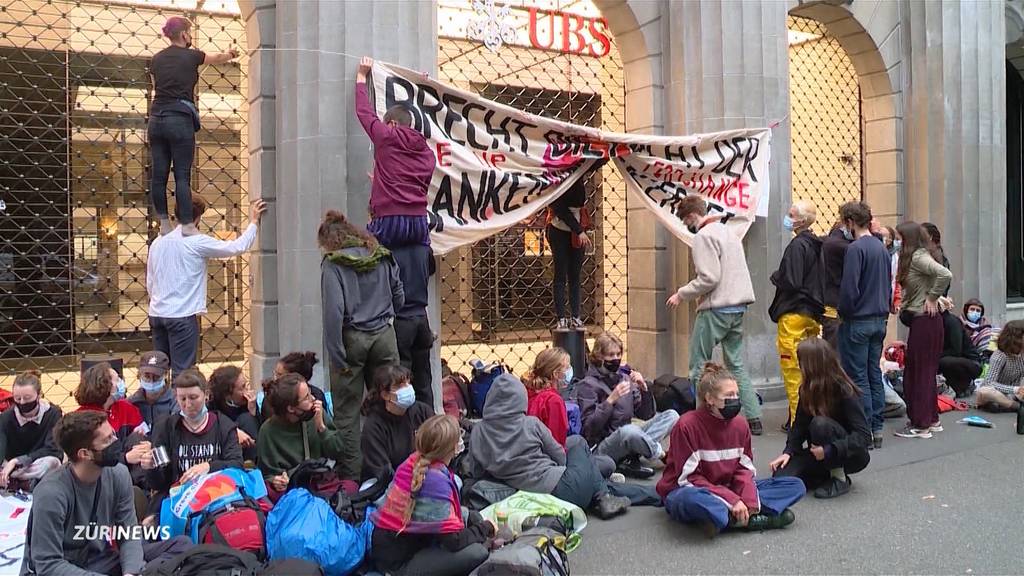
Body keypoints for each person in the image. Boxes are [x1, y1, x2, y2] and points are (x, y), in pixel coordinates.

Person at [21, 411, 192, 576]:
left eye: (113, 435)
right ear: (85, 454)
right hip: (64, 568)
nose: (116, 441)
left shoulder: (118, 473)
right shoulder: (51, 493)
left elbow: (129, 534)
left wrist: (131, 571)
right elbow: (47, 564)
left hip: (101, 559)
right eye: (108, 440)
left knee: (182, 546)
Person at [657, 363, 804, 538]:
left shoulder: (740, 425)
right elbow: (689, 478)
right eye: (729, 395)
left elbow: (744, 469)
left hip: (727, 487)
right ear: (709, 399)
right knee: (690, 500)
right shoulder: (686, 426)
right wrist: (733, 500)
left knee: (796, 485)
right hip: (690, 489)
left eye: (736, 394)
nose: (735, 399)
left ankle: (728, 519)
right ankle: (751, 519)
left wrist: (748, 500)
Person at [469, 373, 631, 519]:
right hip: (562, 487)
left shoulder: (478, 431)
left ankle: (601, 493)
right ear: (520, 398)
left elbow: (476, 471)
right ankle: (603, 496)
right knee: (578, 442)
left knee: (597, 460)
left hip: (529, 494)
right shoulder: (531, 424)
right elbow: (560, 456)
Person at [666, 195, 762, 434]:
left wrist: (682, 294)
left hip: (716, 308)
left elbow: (709, 277)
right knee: (736, 364)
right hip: (738, 307)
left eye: (686, 221)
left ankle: (702, 418)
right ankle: (753, 417)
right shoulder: (729, 232)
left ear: (691, 217)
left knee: (698, 365)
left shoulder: (703, 236)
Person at [319, 209, 404, 481]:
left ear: (330, 241)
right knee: (391, 402)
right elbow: (399, 294)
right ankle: (394, 469)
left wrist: (337, 353)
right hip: (384, 334)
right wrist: (387, 316)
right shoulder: (381, 254)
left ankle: (352, 478)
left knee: (347, 413)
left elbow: (333, 311)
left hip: (352, 337)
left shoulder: (333, 264)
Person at [147, 195, 267, 373]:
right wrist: (254, 222)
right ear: (197, 218)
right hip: (182, 315)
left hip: (156, 314)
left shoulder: (158, 241)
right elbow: (236, 247)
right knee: (183, 373)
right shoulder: (197, 241)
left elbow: (150, 280)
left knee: (159, 370)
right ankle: (180, 401)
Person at [370, 415, 492, 576]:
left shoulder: (412, 463)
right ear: (451, 448)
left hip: (389, 545)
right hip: (398, 564)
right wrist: (485, 529)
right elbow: (453, 542)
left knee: (470, 515)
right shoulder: (436, 481)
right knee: (478, 552)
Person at [150, 16, 239, 236]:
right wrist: (231, 54)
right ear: (184, 34)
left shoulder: (157, 58)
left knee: (159, 175)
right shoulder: (192, 55)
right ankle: (188, 225)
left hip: (156, 119)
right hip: (179, 119)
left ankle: (163, 223)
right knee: (181, 175)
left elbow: (155, 85)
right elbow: (216, 57)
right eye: (189, 32)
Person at [770, 338, 870, 499]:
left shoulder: (844, 389)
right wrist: (788, 452)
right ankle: (824, 475)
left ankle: (839, 477)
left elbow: (864, 437)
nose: (798, 365)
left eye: (800, 361)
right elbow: (799, 426)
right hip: (819, 453)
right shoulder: (807, 389)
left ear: (811, 365)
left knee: (820, 423)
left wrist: (829, 450)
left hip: (849, 455)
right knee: (781, 478)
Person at [355, 56, 435, 250]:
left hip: (389, 218)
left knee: (376, 262)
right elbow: (416, 181)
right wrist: (381, 181)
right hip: (418, 221)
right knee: (414, 269)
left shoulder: (386, 135)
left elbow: (364, 113)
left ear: (391, 123)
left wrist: (360, 77)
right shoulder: (427, 152)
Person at [142, 369, 242, 522]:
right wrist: (151, 468)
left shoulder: (223, 425)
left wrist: (208, 467)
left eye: (193, 398)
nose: (188, 405)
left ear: (206, 395)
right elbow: (160, 483)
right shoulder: (166, 427)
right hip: (177, 497)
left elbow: (236, 465)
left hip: (216, 497)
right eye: (182, 399)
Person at [577, 332, 679, 478]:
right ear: (600, 357)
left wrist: (644, 389)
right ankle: (660, 454)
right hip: (604, 446)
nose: (616, 359)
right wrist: (610, 401)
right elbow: (589, 428)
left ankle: (634, 454)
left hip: (629, 438)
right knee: (629, 431)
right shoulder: (588, 385)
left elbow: (646, 414)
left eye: (618, 354)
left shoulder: (624, 378)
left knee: (672, 415)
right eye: (611, 355)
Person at [836, 202, 891, 449]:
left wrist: (843, 313)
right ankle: (877, 428)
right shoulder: (880, 247)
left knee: (858, 377)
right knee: (873, 374)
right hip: (879, 319)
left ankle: (865, 429)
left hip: (858, 319)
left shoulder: (855, 249)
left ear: (849, 222)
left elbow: (849, 289)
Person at [769, 200, 824, 427]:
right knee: (811, 369)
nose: (787, 217)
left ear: (801, 220)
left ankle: (797, 422)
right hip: (812, 313)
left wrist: (777, 276)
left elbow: (792, 280)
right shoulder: (817, 245)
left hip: (794, 312)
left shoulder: (797, 246)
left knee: (793, 371)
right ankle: (813, 414)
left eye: (791, 214)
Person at [895, 221, 952, 439]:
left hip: (924, 320)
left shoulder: (918, 257)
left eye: (900, 238)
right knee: (926, 372)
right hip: (928, 320)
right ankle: (930, 418)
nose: (898, 242)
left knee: (917, 373)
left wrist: (932, 297)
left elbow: (945, 275)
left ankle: (920, 423)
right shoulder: (920, 256)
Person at [257, 373, 345, 495]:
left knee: (350, 487)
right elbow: (266, 473)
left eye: (310, 392)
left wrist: (321, 428)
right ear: (291, 408)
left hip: (319, 481)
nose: (313, 399)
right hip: (292, 490)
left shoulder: (316, 414)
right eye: (306, 398)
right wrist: (275, 480)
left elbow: (338, 451)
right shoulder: (267, 431)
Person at [75, 363, 152, 475]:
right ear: (105, 385)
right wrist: (125, 458)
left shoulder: (127, 408)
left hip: (132, 470)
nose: (122, 383)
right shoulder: (82, 417)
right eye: (117, 380)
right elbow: (88, 458)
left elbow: (145, 436)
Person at [361, 365, 434, 482]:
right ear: (385, 395)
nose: (407, 388)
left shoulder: (423, 411)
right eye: (399, 386)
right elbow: (381, 470)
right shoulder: (374, 426)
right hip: (388, 482)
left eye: (408, 383)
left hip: (426, 474)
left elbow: (439, 446)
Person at [390, 242, 436, 406]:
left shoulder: (390, 252)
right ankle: (429, 423)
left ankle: (407, 423)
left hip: (401, 318)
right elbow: (431, 270)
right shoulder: (424, 250)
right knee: (424, 377)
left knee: (402, 380)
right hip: (421, 317)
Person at [0, 370, 62, 490]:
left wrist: (21, 460)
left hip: (37, 463)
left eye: (27, 398)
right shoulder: (6, 417)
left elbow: (54, 450)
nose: (22, 402)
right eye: (17, 398)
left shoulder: (52, 413)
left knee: (50, 462)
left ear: (39, 395)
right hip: (13, 468)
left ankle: (24, 482)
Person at [548, 177, 593, 330]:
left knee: (575, 275)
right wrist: (579, 230)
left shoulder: (578, 176)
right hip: (559, 230)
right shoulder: (556, 180)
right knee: (560, 274)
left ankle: (575, 316)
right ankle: (561, 318)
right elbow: (559, 208)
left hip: (576, 229)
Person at [208, 364, 260, 463]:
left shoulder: (248, 404)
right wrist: (233, 431)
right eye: (243, 387)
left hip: (247, 457)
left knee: (247, 419)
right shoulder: (212, 409)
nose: (247, 391)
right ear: (228, 396)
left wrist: (253, 412)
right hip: (224, 456)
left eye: (246, 385)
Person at [937, 298, 983, 398]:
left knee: (942, 361)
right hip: (957, 359)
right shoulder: (939, 321)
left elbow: (955, 350)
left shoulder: (951, 321)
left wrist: (935, 357)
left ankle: (963, 385)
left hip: (972, 362)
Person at [975, 320, 1024, 412]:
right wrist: (1015, 389)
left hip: (1015, 394)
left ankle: (1007, 405)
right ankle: (1015, 406)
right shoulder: (1000, 355)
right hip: (998, 393)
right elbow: (989, 383)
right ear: (1016, 338)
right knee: (985, 391)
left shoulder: (1022, 354)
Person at [820, 221, 853, 349]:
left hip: (828, 302)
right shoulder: (842, 247)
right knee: (836, 347)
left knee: (831, 342)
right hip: (836, 303)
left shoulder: (824, 244)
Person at [128, 350, 179, 429]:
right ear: (139, 375)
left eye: (156, 377)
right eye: (147, 376)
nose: (151, 381)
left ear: (165, 375)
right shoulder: (133, 402)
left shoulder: (176, 400)